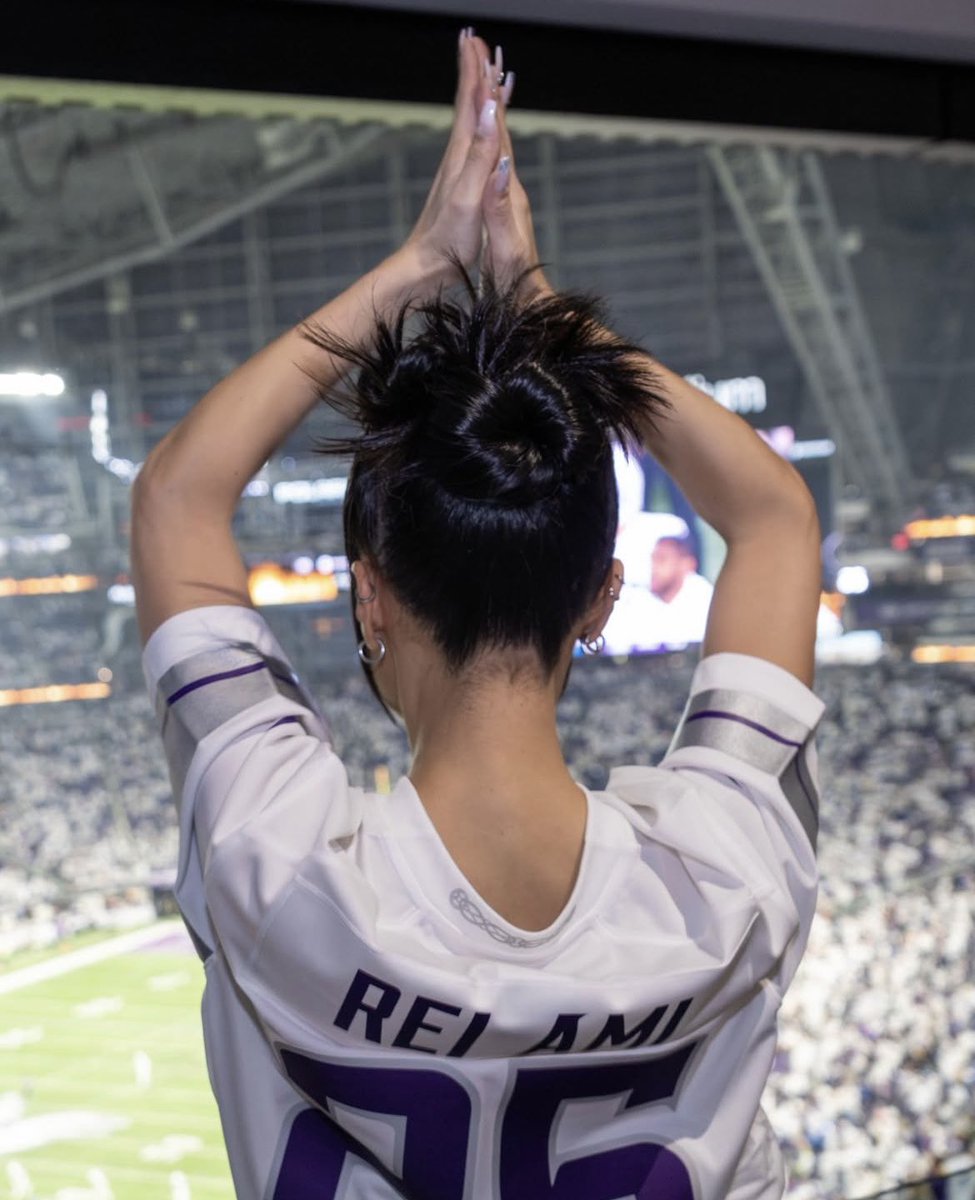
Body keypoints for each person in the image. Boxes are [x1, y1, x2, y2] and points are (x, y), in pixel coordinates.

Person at [132, 29, 824, 1200]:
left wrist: (420, 264)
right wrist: (549, 316)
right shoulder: (727, 883)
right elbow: (771, 515)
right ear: (604, 593)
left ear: (371, 595)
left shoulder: (278, 869)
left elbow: (178, 494)